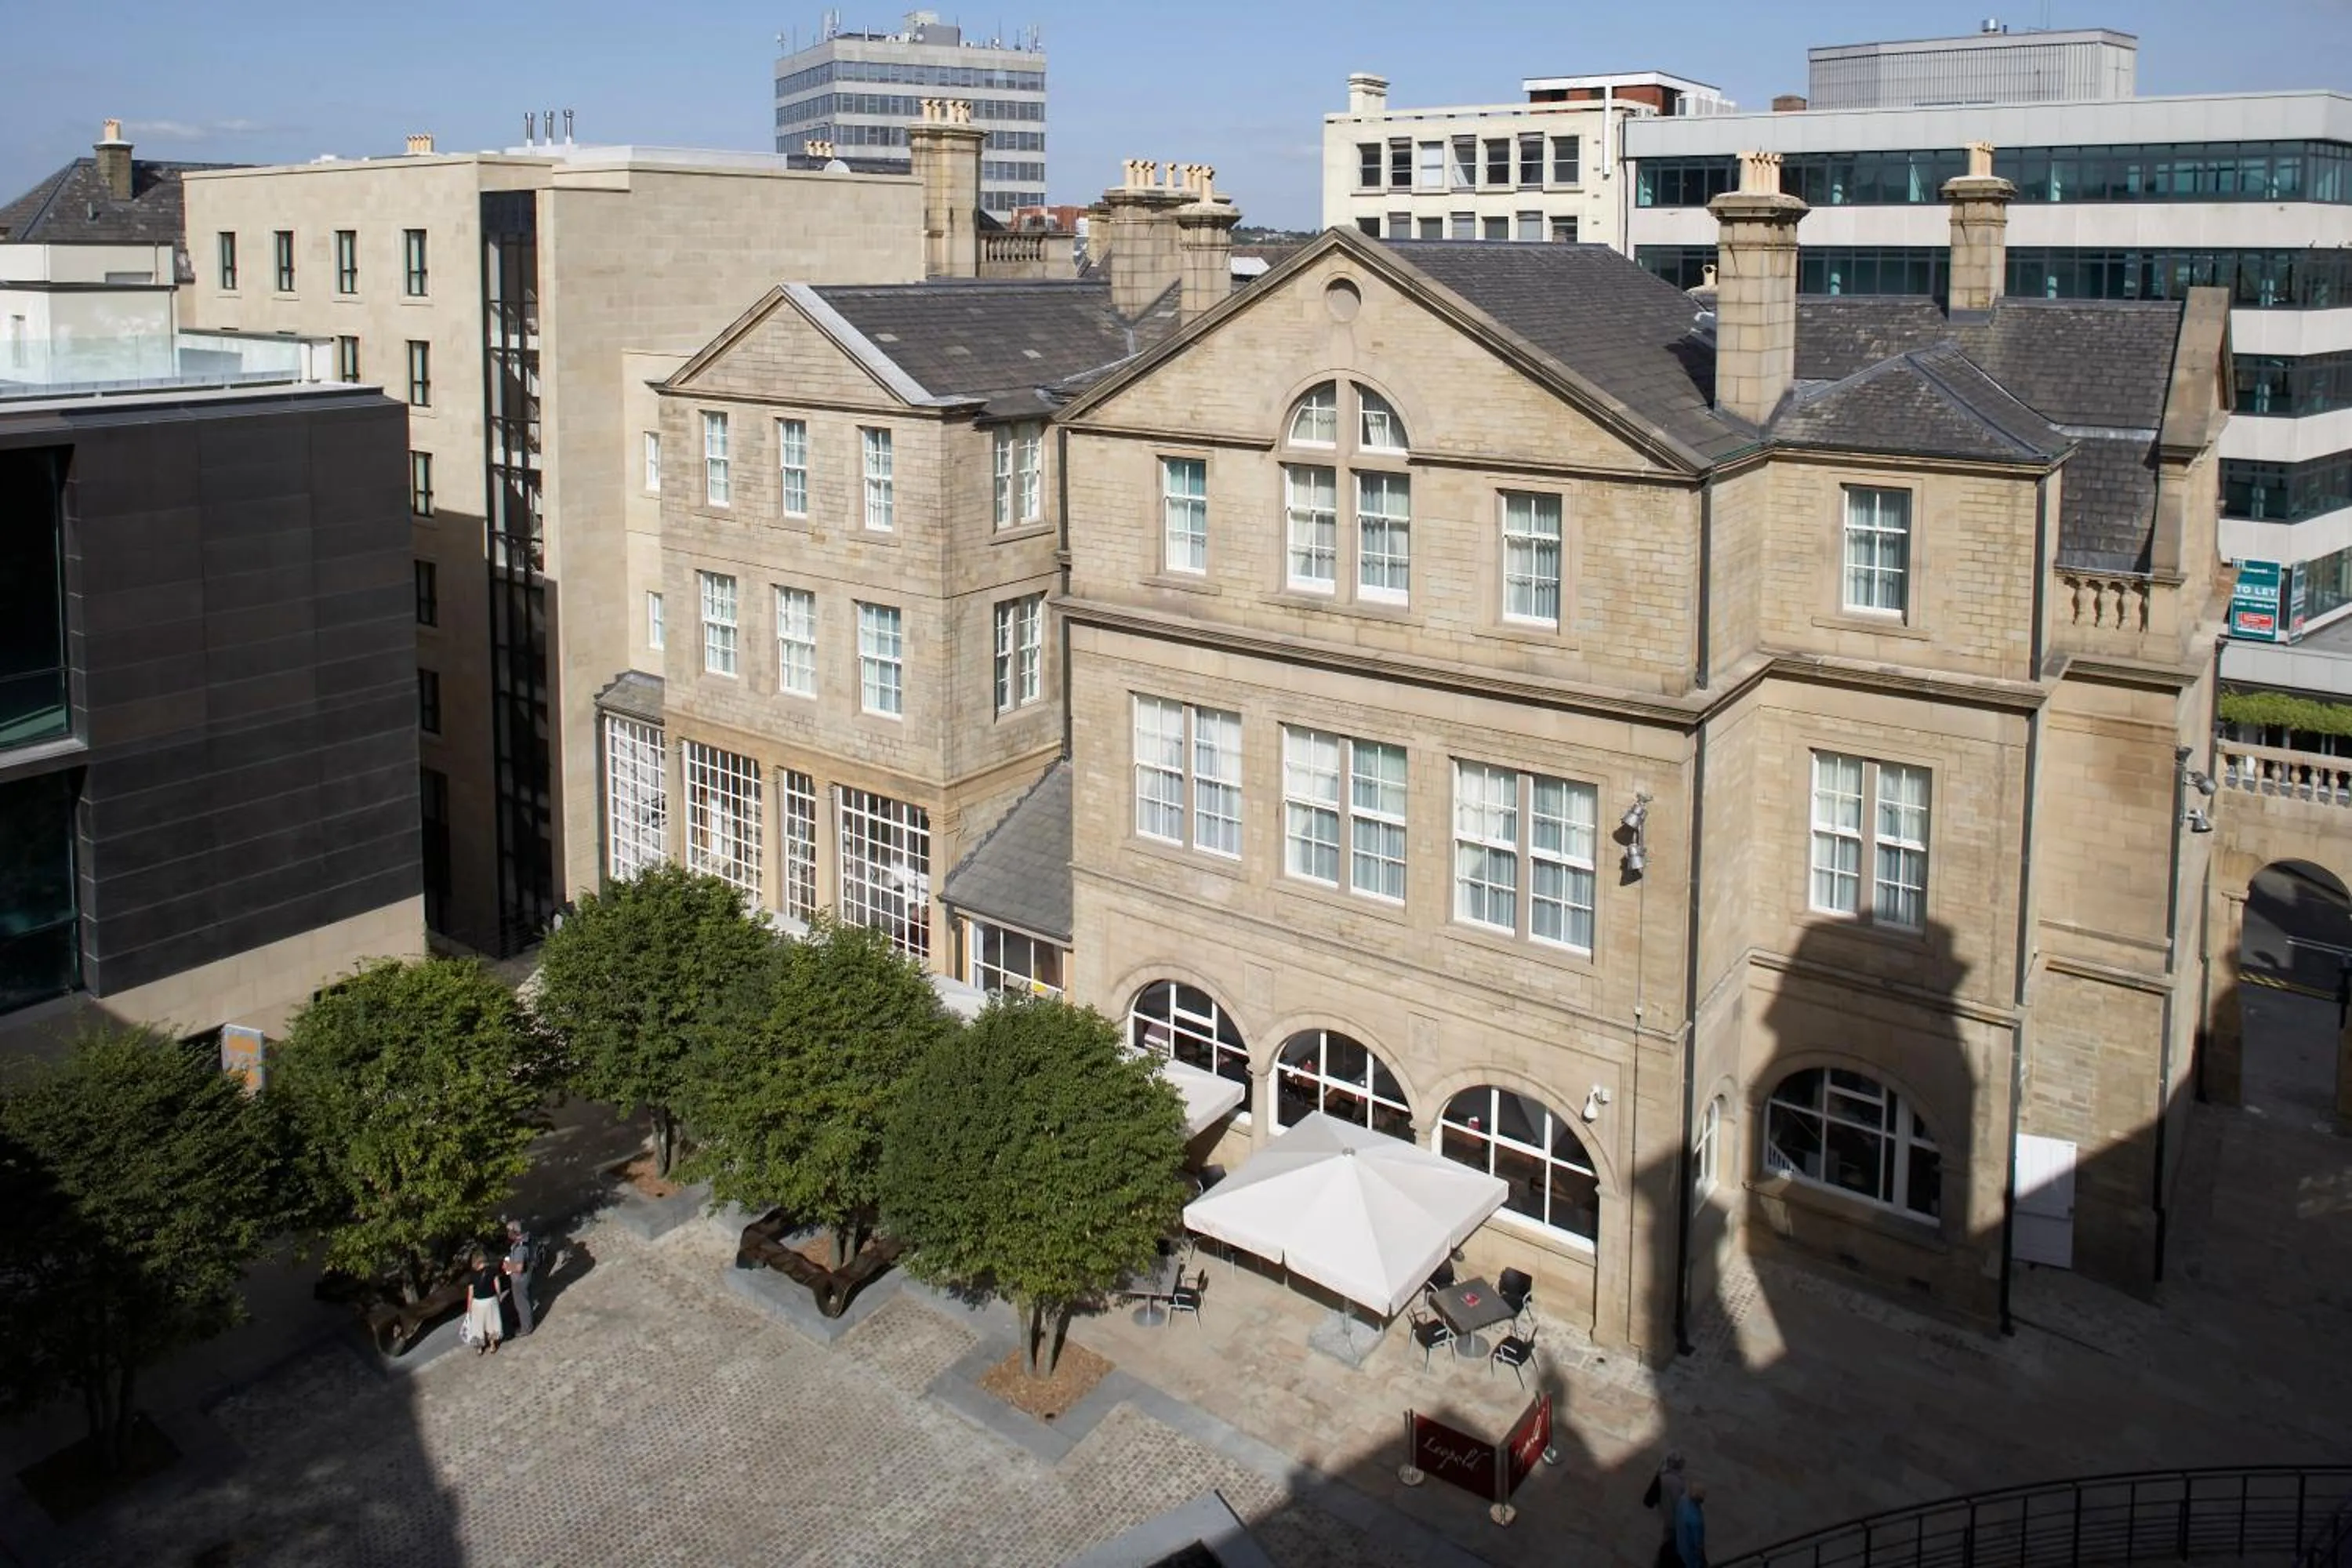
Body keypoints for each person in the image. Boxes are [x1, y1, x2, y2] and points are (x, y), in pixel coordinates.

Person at [465, 1247, 505, 1356]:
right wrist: (498, 1297)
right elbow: (497, 1285)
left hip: (478, 1303)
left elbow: (471, 1293)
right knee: (491, 1323)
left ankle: (480, 1348)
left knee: (478, 1325)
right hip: (491, 1301)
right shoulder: (492, 1270)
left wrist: (469, 1308)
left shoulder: (472, 1274)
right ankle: (492, 1345)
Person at [1650, 1452, 1688, 1568]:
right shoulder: (1679, 1482)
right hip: (1675, 1517)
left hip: (1666, 1513)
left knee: (1667, 1539)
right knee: (1669, 1542)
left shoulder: (1662, 1476)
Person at [503, 1219, 538, 1338]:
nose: (507, 1233)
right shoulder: (527, 1240)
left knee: (521, 1304)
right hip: (528, 1275)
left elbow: (519, 1267)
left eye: (509, 1231)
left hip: (520, 1279)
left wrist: (507, 1266)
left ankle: (526, 1328)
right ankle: (529, 1321)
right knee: (527, 1300)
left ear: (514, 1232)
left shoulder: (519, 1247)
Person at [1675, 1481, 1708, 1568]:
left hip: (1680, 1545)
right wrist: (1702, 1559)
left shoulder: (1683, 1500)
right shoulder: (1696, 1520)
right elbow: (1698, 1544)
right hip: (1691, 1556)